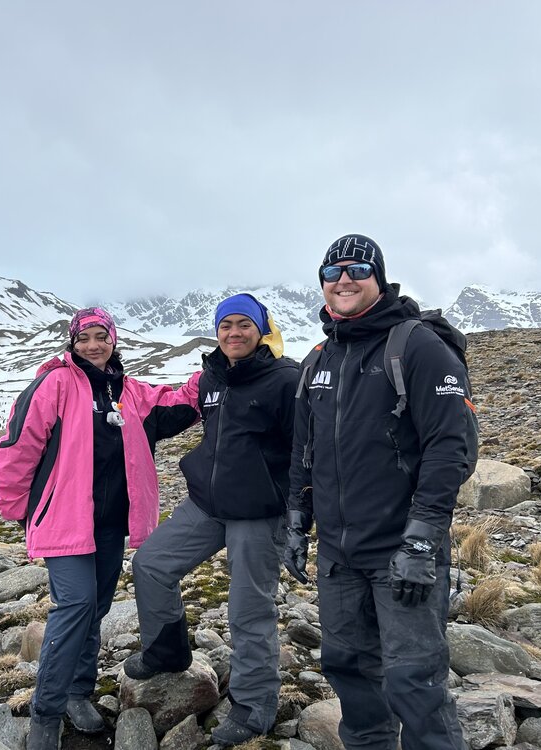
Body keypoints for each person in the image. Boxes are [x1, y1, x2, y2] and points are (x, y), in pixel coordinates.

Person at [285, 234, 473, 749]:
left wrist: (422, 539)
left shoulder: (416, 345)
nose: (343, 279)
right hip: (339, 554)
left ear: (379, 277)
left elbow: (447, 449)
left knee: (414, 679)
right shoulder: (318, 359)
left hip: (402, 550)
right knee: (348, 669)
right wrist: (297, 521)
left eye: (356, 270)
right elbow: (304, 449)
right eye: (332, 272)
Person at [0, 307, 199, 750]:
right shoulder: (55, 384)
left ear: (114, 339)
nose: (93, 345)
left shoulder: (129, 391)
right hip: (65, 521)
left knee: (96, 606)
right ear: (72, 342)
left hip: (107, 524)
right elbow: (16, 446)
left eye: (101, 336)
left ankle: (79, 692)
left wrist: (215, 371)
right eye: (84, 338)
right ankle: (47, 712)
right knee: (75, 606)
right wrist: (19, 509)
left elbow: (177, 404)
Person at [123, 293, 298, 748]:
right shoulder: (211, 378)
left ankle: (254, 708)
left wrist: (302, 515)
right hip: (207, 504)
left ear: (262, 330)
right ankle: (167, 653)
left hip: (259, 513)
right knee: (151, 564)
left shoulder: (285, 380)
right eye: (225, 326)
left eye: (243, 325)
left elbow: (308, 454)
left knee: (247, 610)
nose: (233, 333)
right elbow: (162, 416)